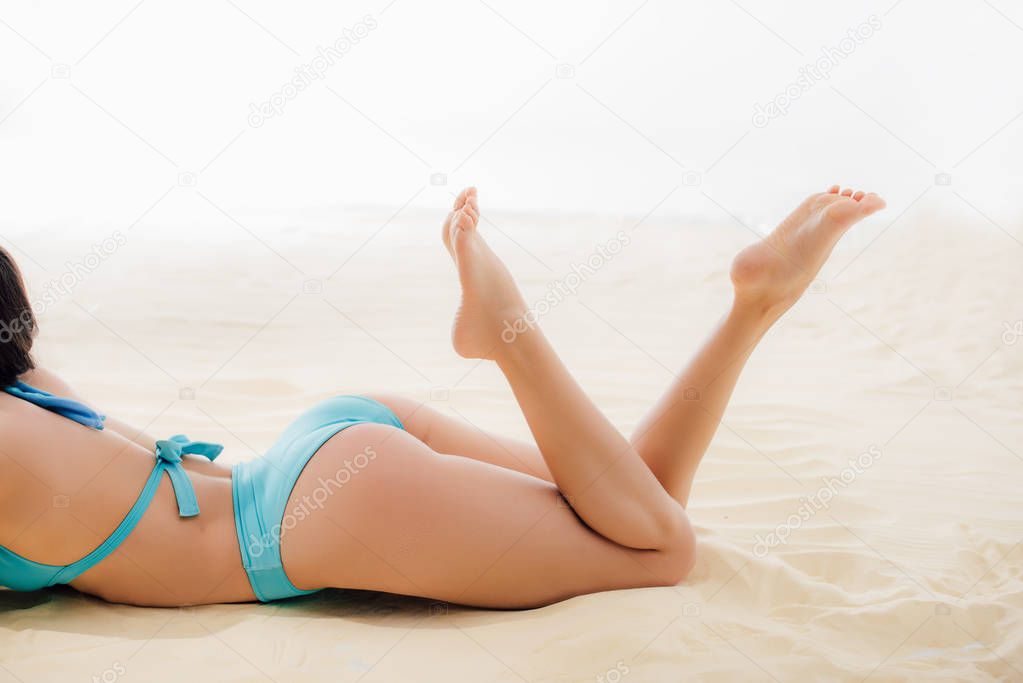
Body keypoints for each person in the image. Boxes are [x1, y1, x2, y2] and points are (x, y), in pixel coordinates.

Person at [0, 185, 885, 609]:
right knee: (632, 492)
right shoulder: (27, 383)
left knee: (660, 548)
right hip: (317, 453)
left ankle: (507, 331)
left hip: (314, 519)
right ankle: (755, 302)